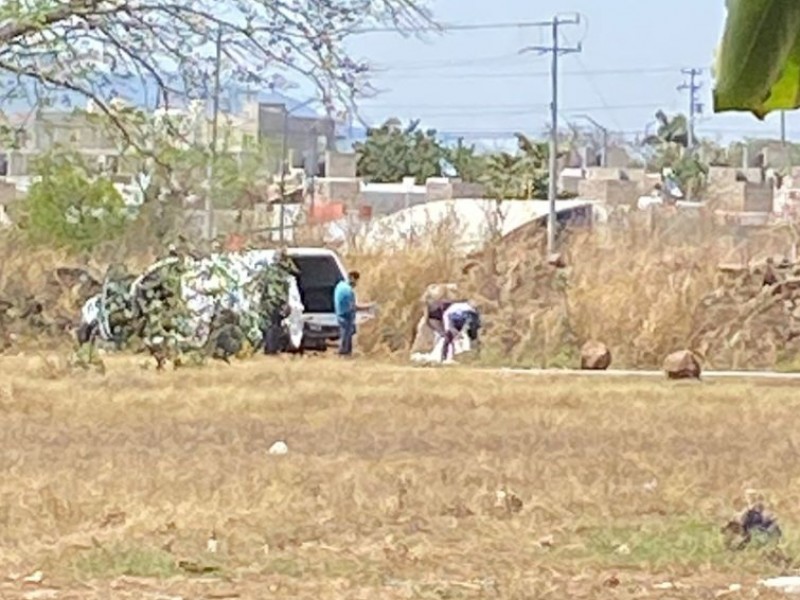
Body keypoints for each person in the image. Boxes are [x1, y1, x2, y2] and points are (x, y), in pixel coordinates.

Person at [333, 271, 360, 356]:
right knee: (346, 339)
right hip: (346, 316)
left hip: (340, 314)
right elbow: (353, 307)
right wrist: (369, 307)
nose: (356, 283)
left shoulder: (340, 285)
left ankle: (345, 353)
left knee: (346, 337)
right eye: (356, 280)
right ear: (352, 278)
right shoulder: (348, 290)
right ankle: (344, 354)